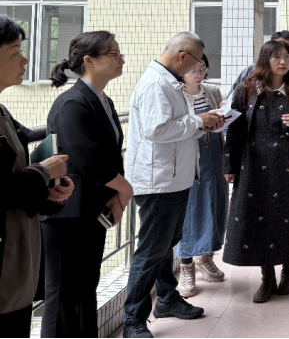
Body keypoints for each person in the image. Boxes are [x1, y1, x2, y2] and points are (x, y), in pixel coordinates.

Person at [122, 32, 225, 339]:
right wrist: (199, 121)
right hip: (158, 181)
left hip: (174, 178)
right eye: (196, 61)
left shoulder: (170, 83)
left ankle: (167, 298)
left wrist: (202, 124)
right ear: (183, 56)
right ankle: (133, 320)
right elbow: (156, 130)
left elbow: (176, 128)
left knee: (165, 246)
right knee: (151, 250)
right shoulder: (156, 84)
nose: (198, 68)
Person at [42, 31, 133, 338]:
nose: (121, 60)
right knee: (63, 296)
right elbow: (87, 157)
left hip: (91, 207)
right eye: (114, 54)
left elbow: (110, 156)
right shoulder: (72, 102)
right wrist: (124, 188)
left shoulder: (103, 100)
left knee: (85, 289)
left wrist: (115, 195)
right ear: (89, 61)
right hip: (66, 211)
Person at [0, 17, 74, 337]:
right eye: (16, 51)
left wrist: (49, 194)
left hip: (16, 270)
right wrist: (43, 172)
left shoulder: (2, 112)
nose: (25, 60)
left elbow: (17, 187)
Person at [223, 40, 289, 303]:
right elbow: (234, 127)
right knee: (258, 217)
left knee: (287, 217)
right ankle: (267, 276)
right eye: (277, 57)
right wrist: (229, 164)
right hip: (254, 163)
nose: (283, 62)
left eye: (287, 57)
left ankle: (288, 270)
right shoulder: (247, 88)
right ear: (265, 59)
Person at [175, 55, 229, 299]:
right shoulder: (175, 94)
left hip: (214, 155)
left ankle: (205, 257)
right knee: (190, 211)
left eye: (202, 68)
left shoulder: (212, 91)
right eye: (193, 70)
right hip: (190, 159)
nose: (198, 74)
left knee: (215, 205)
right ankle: (186, 267)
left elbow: (223, 123)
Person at [226, 31, 289, 100]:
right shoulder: (251, 72)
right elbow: (232, 100)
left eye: (288, 46)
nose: (283, 62)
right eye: (276, 55)